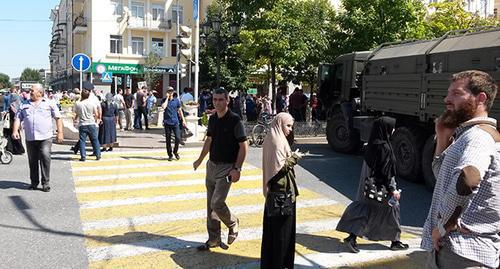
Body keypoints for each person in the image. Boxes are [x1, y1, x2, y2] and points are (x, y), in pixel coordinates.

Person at [421, 70, 499, 269]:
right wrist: (443, 137)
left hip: (461, 253)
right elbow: (443, 178)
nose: (447, 99)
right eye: (448, 93)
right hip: (456, 250)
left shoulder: (478, 138)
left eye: (456, 93)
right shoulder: (470, 135)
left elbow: (468, 179)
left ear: (480, 98)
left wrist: (443, 226)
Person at [336, 116, 408, 253]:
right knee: (392, 209)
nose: (393, 130)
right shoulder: (384, 148)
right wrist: (393, 189)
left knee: (365, 209)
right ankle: (395, 241)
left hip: (368, 184)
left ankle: (352, 237)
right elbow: (385, 171)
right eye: (391, 127)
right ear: (386, 129)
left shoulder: (372, 144)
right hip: (381, 186)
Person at [193, 88, 248, 251]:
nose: (217, 103)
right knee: (210, 206)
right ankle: (214, 239)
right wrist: (200, 159)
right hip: (212, 165)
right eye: (215, 100)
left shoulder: (234, 120)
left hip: (226, 167)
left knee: (217, 203)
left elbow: (244, 146)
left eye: (220, 100)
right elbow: (209, 140)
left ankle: (233, 222)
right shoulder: (213, 119)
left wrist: (237, 168)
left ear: (227, 101)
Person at [260, 112, 303, 269]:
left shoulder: (273, 137)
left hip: (275, 194)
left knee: (274, 234)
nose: (290, 129)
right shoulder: (277, 141)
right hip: (281, 195)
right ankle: (281, 265)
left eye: (292, 126)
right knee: (282, 235)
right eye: (288, 125)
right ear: (279, 123)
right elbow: (279, 168)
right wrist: (295, 157)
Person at [12, 84, 64, 192]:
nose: (30, 92)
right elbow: (18, 118)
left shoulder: (49, 103)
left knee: (45, 156)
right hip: (30, 137)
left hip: (45, 137)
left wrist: (60, 133)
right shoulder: (24, 104)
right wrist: (15, 130)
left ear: (40, 93)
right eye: (30, 91)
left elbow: (58, 118)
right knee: (32, 160)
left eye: (32, 91)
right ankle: (34, 182)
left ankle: (46, 183)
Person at [73, 82, 101, 162]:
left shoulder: (78, 104)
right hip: (91, 123)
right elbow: (96, 114)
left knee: (82, 141)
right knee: (95, 139)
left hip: (82, 124)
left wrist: (75, 120)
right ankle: (98, 155)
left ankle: (83, 156)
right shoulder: (92, 103)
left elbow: (77, 114)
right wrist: (96, 120)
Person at [161, 87, 186, 161]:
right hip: (167, 122)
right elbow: (163, 107)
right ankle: (170, 155)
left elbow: (180, 110)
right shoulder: (164, 100)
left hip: (175, 122)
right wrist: (167, 98)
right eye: (169, 91)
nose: (170, 92)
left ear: (173, 92)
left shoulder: (176, 101)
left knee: (178, 138)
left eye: (171, 91)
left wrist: (183, 120)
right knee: (168, 140)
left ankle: (175, 151)